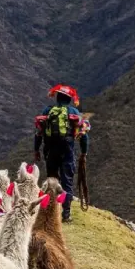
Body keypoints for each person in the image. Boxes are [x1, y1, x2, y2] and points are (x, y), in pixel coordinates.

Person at [33, 84, 90, 221]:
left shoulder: (47, 111)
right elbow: (84, 135)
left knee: (52, 181)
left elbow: (38, 133)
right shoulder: (74, 113)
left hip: (50, 151)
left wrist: (36, 150)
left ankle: (51, 212)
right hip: (67, 151)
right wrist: (84, 153)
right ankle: (66, 214)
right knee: (67, 182)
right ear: (69, 99)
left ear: (57, 97)